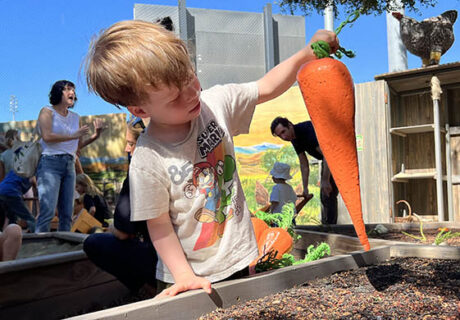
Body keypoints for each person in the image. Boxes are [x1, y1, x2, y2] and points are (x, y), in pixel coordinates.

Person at [84, 19, 339, 297]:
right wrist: (184, 276)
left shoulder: (214, 104)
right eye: (175, 96)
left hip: (240, 260)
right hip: (187, 277)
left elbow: (267, 86)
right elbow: (159, 225)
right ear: (140, 108)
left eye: (190, 77)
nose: (193, 92)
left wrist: (307, 53)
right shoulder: (147, 159)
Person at [83, 117, 158, 294]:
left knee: (94, 242)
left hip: (162, 261)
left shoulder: (138, 175)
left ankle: (147, 288)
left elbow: (123, 233)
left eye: (131, 144)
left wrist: (114, 227)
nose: (126, 149)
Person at [35, 80, 101, 232]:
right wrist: (72, 135)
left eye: (73, 90)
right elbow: (47, 136)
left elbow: (78, 146)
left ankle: (64, 247)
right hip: (50, 163)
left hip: (69, 164)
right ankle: (40, 248)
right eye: (67, 89)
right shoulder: (46, 111)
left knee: (67, 212)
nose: (72, 93)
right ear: (58, 93)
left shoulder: (76, 117)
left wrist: (97, 135)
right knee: (48, 211)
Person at [270, 117, 339, 224]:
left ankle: (330, 229)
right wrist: (305, 188)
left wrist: (325, 180)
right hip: (329, 160)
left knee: (327, 194)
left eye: (283, 132)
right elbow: (304, 164)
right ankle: (328, 226)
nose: (284, 137)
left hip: (337, 157)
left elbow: (328, 155)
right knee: (326, 196)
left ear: (289, 125)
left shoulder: (307, 130)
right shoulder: (294, 138)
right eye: (280, 136)